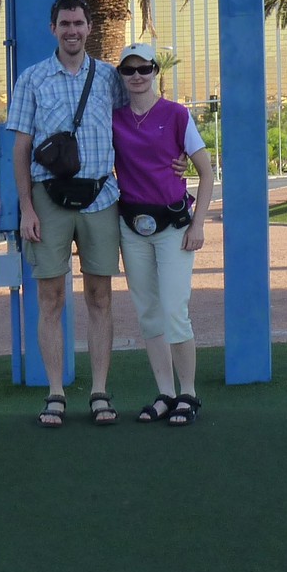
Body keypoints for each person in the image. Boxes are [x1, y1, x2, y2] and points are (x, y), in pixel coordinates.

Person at [7, 0, 122, 428]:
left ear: (89, 27)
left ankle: (99, 392)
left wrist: (174, 157)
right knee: (50, 298)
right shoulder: (32, 79)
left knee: (100, 296)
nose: (72, 31)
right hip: (48, 200)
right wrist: (26, 209)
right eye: (65, 24)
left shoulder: (109, 78)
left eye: (78, 23)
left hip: (101, 198)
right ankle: (55, 392)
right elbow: (20, 148)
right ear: (52, 28)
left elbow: (134, 128)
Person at [111, 43, 217, 427]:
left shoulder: (176, 115)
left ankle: (188, 393)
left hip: (173, 227)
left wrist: (198, 224)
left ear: (156, 71)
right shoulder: (114, 119)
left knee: (174, 310)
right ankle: (166, 394)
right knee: (148, 313)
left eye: (144, 68)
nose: (137, 76)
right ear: (121, 76)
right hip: (132, 227)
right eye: (129, 70)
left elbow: (206, 171)